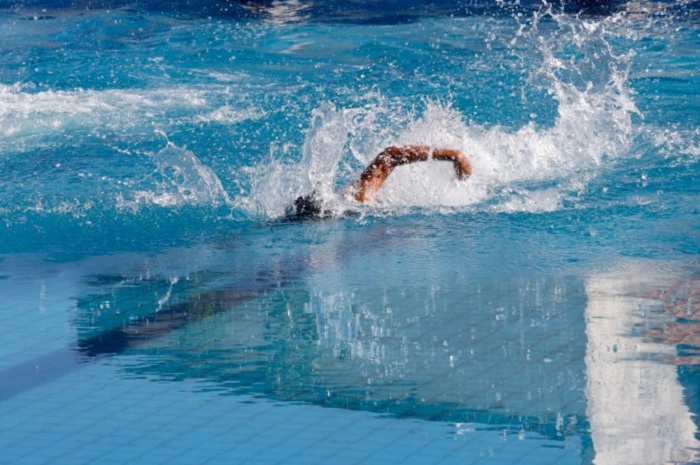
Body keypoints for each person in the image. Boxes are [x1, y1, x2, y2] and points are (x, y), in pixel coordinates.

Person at [287, 145, 472, 219]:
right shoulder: (358, 200)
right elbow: (389, 156)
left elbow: (389, 156)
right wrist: (453, 155)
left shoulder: (356, 199)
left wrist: (453, 155)